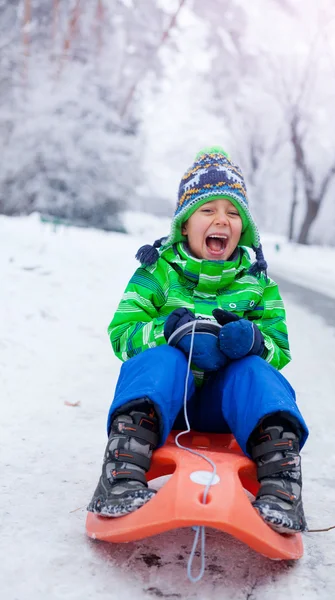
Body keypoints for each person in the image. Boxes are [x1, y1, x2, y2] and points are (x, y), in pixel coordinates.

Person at [87, 147, 309, 534]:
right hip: (166, 406)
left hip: (229, 410)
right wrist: (167, 334)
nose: (222, 219)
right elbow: (122, 334)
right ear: (184, 225)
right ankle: (121, 473)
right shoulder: (156, 273)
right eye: (208, 210)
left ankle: (282, 484)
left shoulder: (259, 285)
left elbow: (279, 349)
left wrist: (255, 343)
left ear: (245, 229)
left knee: (256, 372)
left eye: (233, 212)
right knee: (162, 362)